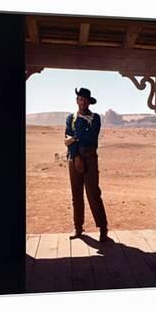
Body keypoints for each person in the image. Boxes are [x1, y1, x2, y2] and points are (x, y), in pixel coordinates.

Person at [64, 87, 110, 242]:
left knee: (93, 194)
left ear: (89, 102)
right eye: (80, 99)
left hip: (90, 158)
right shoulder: (70, 118)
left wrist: (73, 138)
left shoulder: (95, 118)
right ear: (77, 100)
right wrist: (76, 155)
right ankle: (78, 228)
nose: (82, 102)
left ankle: (103, 228)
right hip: (74, 158)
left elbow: (90, 138)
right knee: (76, 195)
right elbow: (67, 139)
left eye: (85, 100)